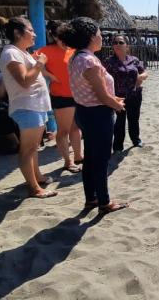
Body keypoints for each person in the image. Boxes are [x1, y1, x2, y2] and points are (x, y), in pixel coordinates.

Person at [60, 17, 127, 213]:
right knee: (100, 160)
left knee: (91, 158)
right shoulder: (88, 60)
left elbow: (92, 89)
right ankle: (104, 202)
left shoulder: (76, 57)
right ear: (90, 37)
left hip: (85, 111)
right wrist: (117, 104)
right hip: (97, 114)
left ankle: (92, 198)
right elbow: (101, 94)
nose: (102, 38)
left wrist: (112, 99)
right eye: (99, 34)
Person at [0, 17, 56, 199]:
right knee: (28, 149)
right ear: (18, 33)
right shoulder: (11, 53)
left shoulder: (20, 52)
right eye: (31, 30)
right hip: (27, 106)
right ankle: (34, 188)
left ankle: (37, 177)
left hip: (34, 106)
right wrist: (40, 64)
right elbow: (25, 81)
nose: (35, 34)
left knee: (33, 147)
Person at [38, 21, 83, 173]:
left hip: (77, 94)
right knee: (63, 130)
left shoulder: (73, 49)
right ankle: (67, 161)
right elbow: (30, 63)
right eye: (60, 36)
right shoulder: (46, 50)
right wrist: (49, 75)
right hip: (61, 95)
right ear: (54, 36)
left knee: (75, 127)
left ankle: (78, 156)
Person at [103, 34, 148, 151]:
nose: (117, 44)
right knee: (119, 122)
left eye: (121, 42)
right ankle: (118, 146)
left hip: (135, 95)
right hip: (118, 97)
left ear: (127, 46)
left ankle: (136, 140)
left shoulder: (134, 60)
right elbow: (103, 79)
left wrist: (140, 77)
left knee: (134, 119)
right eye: (115, 43)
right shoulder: (109, 62)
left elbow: (144, 72)